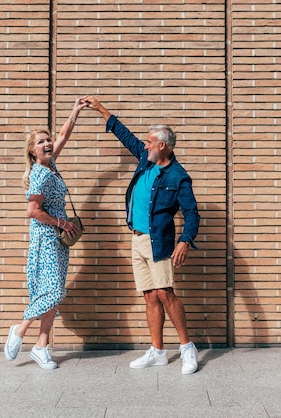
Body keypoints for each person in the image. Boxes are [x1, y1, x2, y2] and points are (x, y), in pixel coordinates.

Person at [84, 96, 201, 374]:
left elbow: (192, 213)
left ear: (162, 145)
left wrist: (184, 240)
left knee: (165, 293)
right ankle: (158, 351)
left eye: (149, 141)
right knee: (149, 295)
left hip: (158, 241)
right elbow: (124, 134)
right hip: (136, 239)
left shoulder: (178, 176)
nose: (144, 144)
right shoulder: (145, 160)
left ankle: (187, 348)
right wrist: (101, 109)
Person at [4, 98, 87, 369]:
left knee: (53, 290)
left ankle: (41, 347)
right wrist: (61, 223)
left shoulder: (52, 165)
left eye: (47, 139)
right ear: (33, 152)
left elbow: (64, 135)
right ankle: (20, 330)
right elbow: (32, 211)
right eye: (41, 142)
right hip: (46, 237)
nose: (48, 143)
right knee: (51, 290)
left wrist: (75, 110)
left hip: (59, 241)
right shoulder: (39, 174)